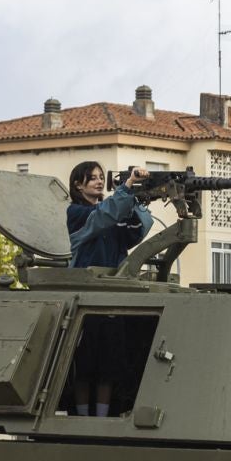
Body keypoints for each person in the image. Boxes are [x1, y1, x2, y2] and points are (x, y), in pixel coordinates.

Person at [65, 162, 155, 417]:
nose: (97, 181)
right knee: (84, 366)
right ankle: (83, 417)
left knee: (108, 367)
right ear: (78, 184)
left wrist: (136, 198)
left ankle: (102, 417)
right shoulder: (77, 213)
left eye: (100, 177)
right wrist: (126, 189)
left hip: (113, 297)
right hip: (88, 298)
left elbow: (138, 230)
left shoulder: (111, 210)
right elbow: (102, 218)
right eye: (91, 178)